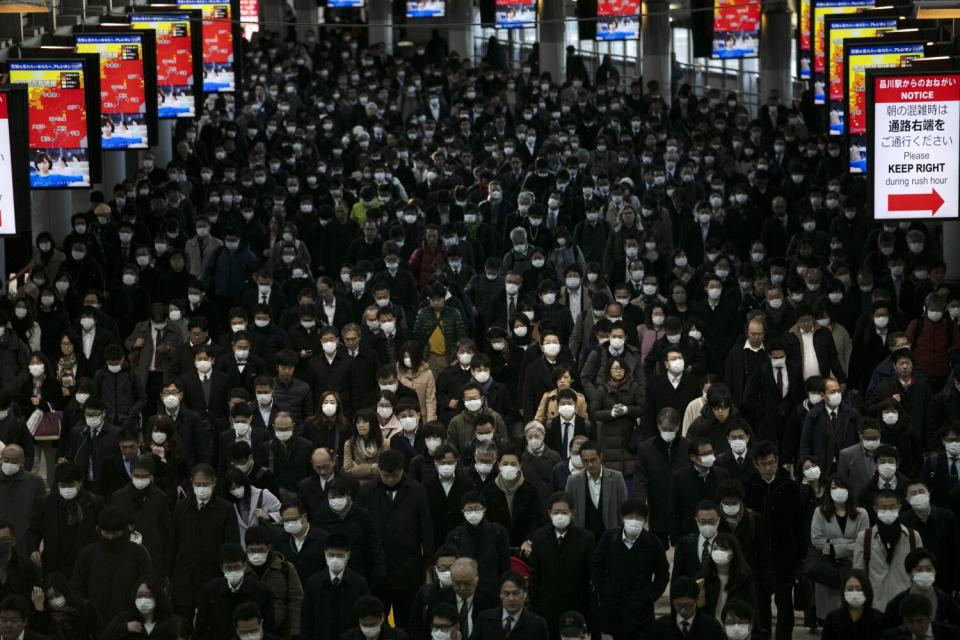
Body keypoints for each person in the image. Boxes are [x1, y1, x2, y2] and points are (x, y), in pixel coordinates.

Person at [356, 449, 433, 630]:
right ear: (379, 471)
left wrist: (429, 564)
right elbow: (359, 530)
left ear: (402, 470)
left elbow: (426, 529)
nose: (390, 479)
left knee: (407, 623)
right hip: (375, 571)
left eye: (395, 475)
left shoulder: (417, 490)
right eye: (386, 475)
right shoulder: (366, 492)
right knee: (375, 623)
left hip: (408, 571)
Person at [744, 441, 805, 640]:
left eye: (771, 463)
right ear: (756, 464)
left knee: (785, 605)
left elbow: (799, 523)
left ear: (777, 461)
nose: (768, 468)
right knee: (761, 605)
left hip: (784, 556)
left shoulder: (789, 487)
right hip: (758, 557)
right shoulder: (749, 487)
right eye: (764, 464)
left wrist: (800, 557)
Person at [591, 499, 669, 640]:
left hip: (641, 611)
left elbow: (662, 574)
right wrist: (603, 589)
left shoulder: (653, 542)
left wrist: (650, 595)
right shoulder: (610, 537)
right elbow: (596, 565)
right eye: (630, 517)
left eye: (638, 518)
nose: (634, 521)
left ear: (645, 520)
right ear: (622, 518)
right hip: (613, 608)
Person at [170, 464, 241, 618]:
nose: (201, 488)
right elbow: (173, 543)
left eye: (205, 484)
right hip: (184, 579)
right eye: (198, 484)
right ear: (191, 483)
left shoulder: (226, 509)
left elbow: (231, 544)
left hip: (213, 576)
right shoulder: (181, 508)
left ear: (214, 482)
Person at [526, 492, 595, 637]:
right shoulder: (539, 537)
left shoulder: (586, 538)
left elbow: (591, 575)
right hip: (547, 608)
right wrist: (536, 606)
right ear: (549, 513)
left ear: (572, 513)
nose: (559, 516)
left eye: (564, 512)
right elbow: (535, 576)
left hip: (577, 607)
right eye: (556, 512)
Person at [71, 506, 154, 623]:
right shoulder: (88, 554)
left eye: (115, 533)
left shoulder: (138, 554)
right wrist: (87, 607)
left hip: (129, 621)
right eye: (106, 533)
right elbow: (76, 587)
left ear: (124, 530)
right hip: (94, 621)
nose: (110, 537)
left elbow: (149, 586)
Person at [809, 475, 869, 620]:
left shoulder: (861, 514)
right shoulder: (820, 512)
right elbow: (816, 540)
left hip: (853, 566)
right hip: (828, 569)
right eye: (834, 487)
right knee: (830, 618)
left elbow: (863, 542)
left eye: (842, 487)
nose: (838, 491)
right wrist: (847, 543)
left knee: (852, 614)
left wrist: (835, 548)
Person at [853, 489, 923, 610]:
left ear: (899, 507)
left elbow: (919, 572)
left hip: (905, 605)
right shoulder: (864, 537)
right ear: (875, 509)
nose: (888, 511)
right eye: (883, 508)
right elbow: (858, 573)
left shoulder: (913, 536)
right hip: (875, 605)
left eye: (892, 507)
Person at [194, 543, 275, 640]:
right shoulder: (210, 590)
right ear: (222, 568)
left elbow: (269, 627)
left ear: (244, 565)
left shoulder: (262, 591)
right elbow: (201, 626)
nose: (233, 571)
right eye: (228, 567)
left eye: (236, 566)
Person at [301, 534, 370, 640]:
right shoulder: (314, 582)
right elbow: (307, 618)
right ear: (325, 554)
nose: (335, 559)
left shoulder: (359, 583)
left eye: (340, 555)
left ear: (348, 555)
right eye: (331, 555)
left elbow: (365, 616)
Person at [243, 526, 304, 638]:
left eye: (260, 550)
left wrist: (295, 632)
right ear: (246, 548)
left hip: (281, 632)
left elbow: (296, 601)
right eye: (252, 550)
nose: (256, 554)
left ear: (269, 547)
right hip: (248, 633)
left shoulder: (285, 569)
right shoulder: (240, 571)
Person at [444, 492, 510, 594]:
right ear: (463, 511)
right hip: (465, 589)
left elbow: (505, 566)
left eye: (477, 508)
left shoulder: (499, 532)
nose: (473, 512)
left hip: (492, 590)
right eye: (469, 509)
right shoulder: (454, 536)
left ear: (484, 509)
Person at [563, 440, 627, 537]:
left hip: (611, 536)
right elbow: (569, 510)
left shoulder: (617, 478)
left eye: (593, 460)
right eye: (585, 461)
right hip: (582, 537)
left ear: (600, 457)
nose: (590, 464)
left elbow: (624, 508)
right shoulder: (573, 481)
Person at [883, 548, 960, 628]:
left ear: (935, 572)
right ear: (910, 574)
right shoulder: (895, 606)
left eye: (929, 569)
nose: (925, 574)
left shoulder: (949, 605)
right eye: (919, 570)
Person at [473, 572, 549, 640]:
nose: (511, 599)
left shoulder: (538, 625)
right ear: (500, 594)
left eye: (515, 593)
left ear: (525, 594)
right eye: (506, 594)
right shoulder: (484, 619)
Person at [100, 575, 179, 640]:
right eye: (140, 595)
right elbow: (105, 636)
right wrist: (126, 627)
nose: (143, 599)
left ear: (157, 597)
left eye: (148, 595)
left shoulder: (170, 622)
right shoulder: (124, 618)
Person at [651, 576, 725, 639]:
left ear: (696, 600)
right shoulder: (660, 627)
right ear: (673, 602)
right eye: (679, 606)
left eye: (688, 605)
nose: (683, 611)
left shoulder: (712, 627)